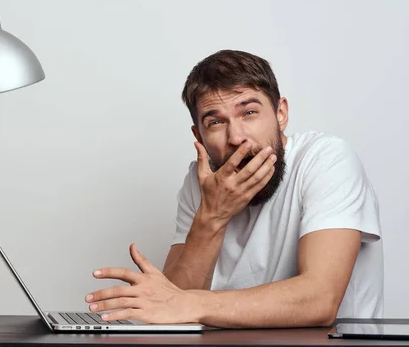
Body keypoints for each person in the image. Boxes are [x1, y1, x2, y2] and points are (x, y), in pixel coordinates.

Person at [84, 50, 383, 328]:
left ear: (281, 114)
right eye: (215, 122)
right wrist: (211, 217)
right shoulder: (200, 181)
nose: (237, 137)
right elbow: (170, 308)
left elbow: (320, 299)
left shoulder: (327, 159)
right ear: (198, 136)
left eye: (249, 113)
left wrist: (193, 303)